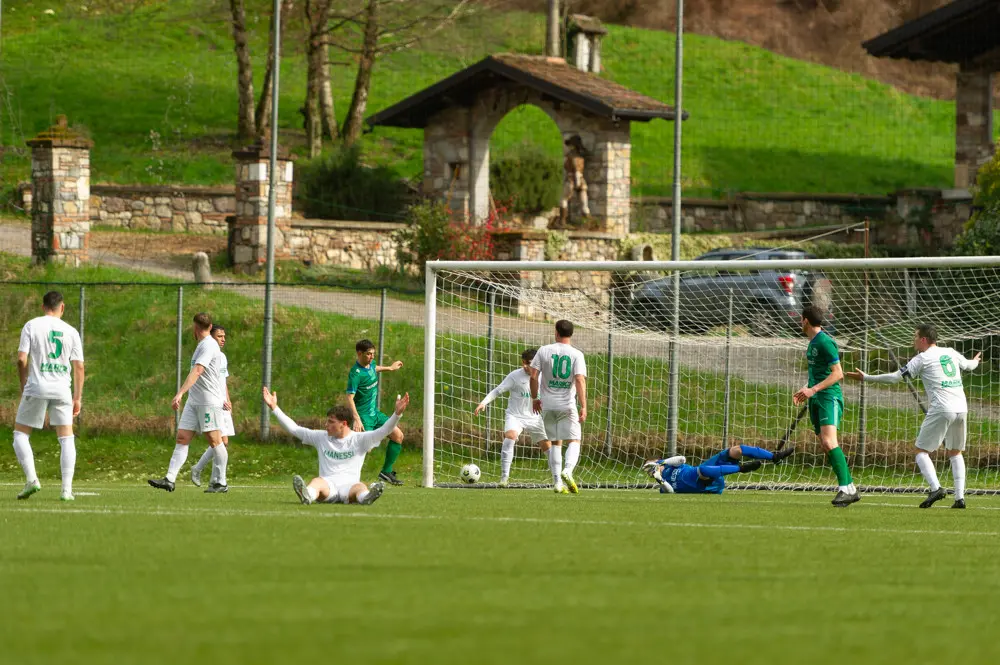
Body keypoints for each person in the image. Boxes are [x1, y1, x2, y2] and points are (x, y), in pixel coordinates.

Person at [846, 323, 980, 509]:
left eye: (915, 336)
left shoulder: (922, 358)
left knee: (920, 451)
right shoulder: (950, 351)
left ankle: (935, 488)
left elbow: (895, 378)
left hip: (942, 408)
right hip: (961, 407)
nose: (913, 340)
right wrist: (976, 361)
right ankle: (959, 498)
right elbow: (969, 365)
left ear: (923, 339)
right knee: (955, 452)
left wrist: (866, 377)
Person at [262, 386, 410, 505]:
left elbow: (384, 430)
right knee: (317, 482)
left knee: (360, 487)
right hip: (328, 485)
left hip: (349, 486)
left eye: (331, 422)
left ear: (343, 424)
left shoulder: (360, 439)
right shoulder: (321, 437)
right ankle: (308, 495)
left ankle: (366, 497)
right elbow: (294, 429)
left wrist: (397, 414)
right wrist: (275, 408)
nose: (326, 425)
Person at [12, 291, 85, 501]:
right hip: (62, 389)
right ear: (62, 308)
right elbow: (79, 366)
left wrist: (23, 383)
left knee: (20, 434)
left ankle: (32, 479)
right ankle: (66, 490)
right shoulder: (71, 331)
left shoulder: (32, 325)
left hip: (36, 386)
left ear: (43, 307)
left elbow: (21, 360)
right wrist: (77, 397)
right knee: (66, 437)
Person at [148, 312, 228, 493]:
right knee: (182, 438)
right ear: (209, 326)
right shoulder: (201, 345)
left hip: (208, 401)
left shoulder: (208, 345)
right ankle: (169, 479)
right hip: (194, 401)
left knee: (215, 441)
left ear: (195, 327)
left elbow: (198, 370)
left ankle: (221, 482)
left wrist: (180, 393)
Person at [794, 306, 859, 507]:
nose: (799, 322)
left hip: (829, 398)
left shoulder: (825, 342)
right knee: (825, 444)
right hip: (817, 398)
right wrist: (805, 389)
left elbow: (838, 373)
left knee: (830, 442)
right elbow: (818, 374)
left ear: (805, 321)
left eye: (800, 319)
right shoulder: (812, 343)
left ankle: (844, 489)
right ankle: (850, 489)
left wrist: (813, 390)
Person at [474, 349, 550, 486]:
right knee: (510, 437)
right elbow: (498, 390)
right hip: (515, 415)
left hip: (535, 417)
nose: (526, 366)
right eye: (525, 363)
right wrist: (483, 403)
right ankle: (504, 478)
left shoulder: (544, 377)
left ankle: (558, 477)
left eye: (530, 364)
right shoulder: (515, 376)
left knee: (548, 446)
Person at [530, 320, 587, 494]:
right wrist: (584, 405)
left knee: (555, 442)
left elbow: (533, 377)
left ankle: (557, 483)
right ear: (571, 334)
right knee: (575, 439)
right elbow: (579, 380)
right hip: (567, 405)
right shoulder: (577, 354)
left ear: (556, 332)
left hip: (547, 405)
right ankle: (568, 470)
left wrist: (535, 398)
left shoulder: (543, 350)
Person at [346, 339, 405, 486]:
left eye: (373, 354)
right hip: (364, 416)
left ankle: (386, 472)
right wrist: (357, 419)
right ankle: (344, 476)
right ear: (359, 354)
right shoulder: (355, 374)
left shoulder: (370, 364)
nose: (372, 357)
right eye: (368, 354)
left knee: (398, 436)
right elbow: (349, 397)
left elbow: (374, 368)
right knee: (365, 448)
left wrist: (390, 368)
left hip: (375, 413)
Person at [642, 444, 794, 494]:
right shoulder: (662, 485)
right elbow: (671, 491)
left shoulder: (669, 464)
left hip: (710, 470)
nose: (652, 471)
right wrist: (659, 478)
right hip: (705, 483)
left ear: (658, 462)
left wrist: (661, 462)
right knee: (702, 470)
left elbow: (682, 459)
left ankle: (774, 456)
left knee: (735, 450)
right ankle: (741, 468)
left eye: (652, 466)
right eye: (649, 471)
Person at [190, 324, 234, 491]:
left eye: (224, 336)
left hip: (223, 404)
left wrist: (228, 400)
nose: (223, 339)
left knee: (223, 441)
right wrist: (220, 399)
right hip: (214, 402)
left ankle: (206, 474)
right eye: (219, 336)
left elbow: (223, 381)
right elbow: (208, 381)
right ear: (211, 337)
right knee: (220, 441)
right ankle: (214, 479)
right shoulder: (209, 353)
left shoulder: (222, 357)